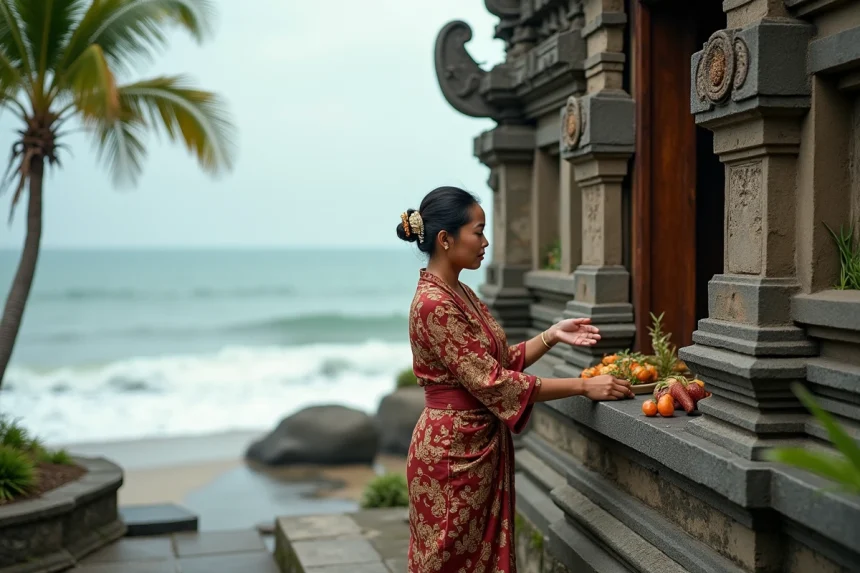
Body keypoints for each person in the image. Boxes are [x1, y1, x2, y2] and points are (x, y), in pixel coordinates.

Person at [396, 186, 634, 573]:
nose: (486, 241)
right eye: (478, 230)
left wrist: (552, 334)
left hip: (474, 446)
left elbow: (498, 362)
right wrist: (583, 385)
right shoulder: (434, 305)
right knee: (448, 562)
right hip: (453, 454)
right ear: (445, 239)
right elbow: (495, 383)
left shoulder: (459, 292)